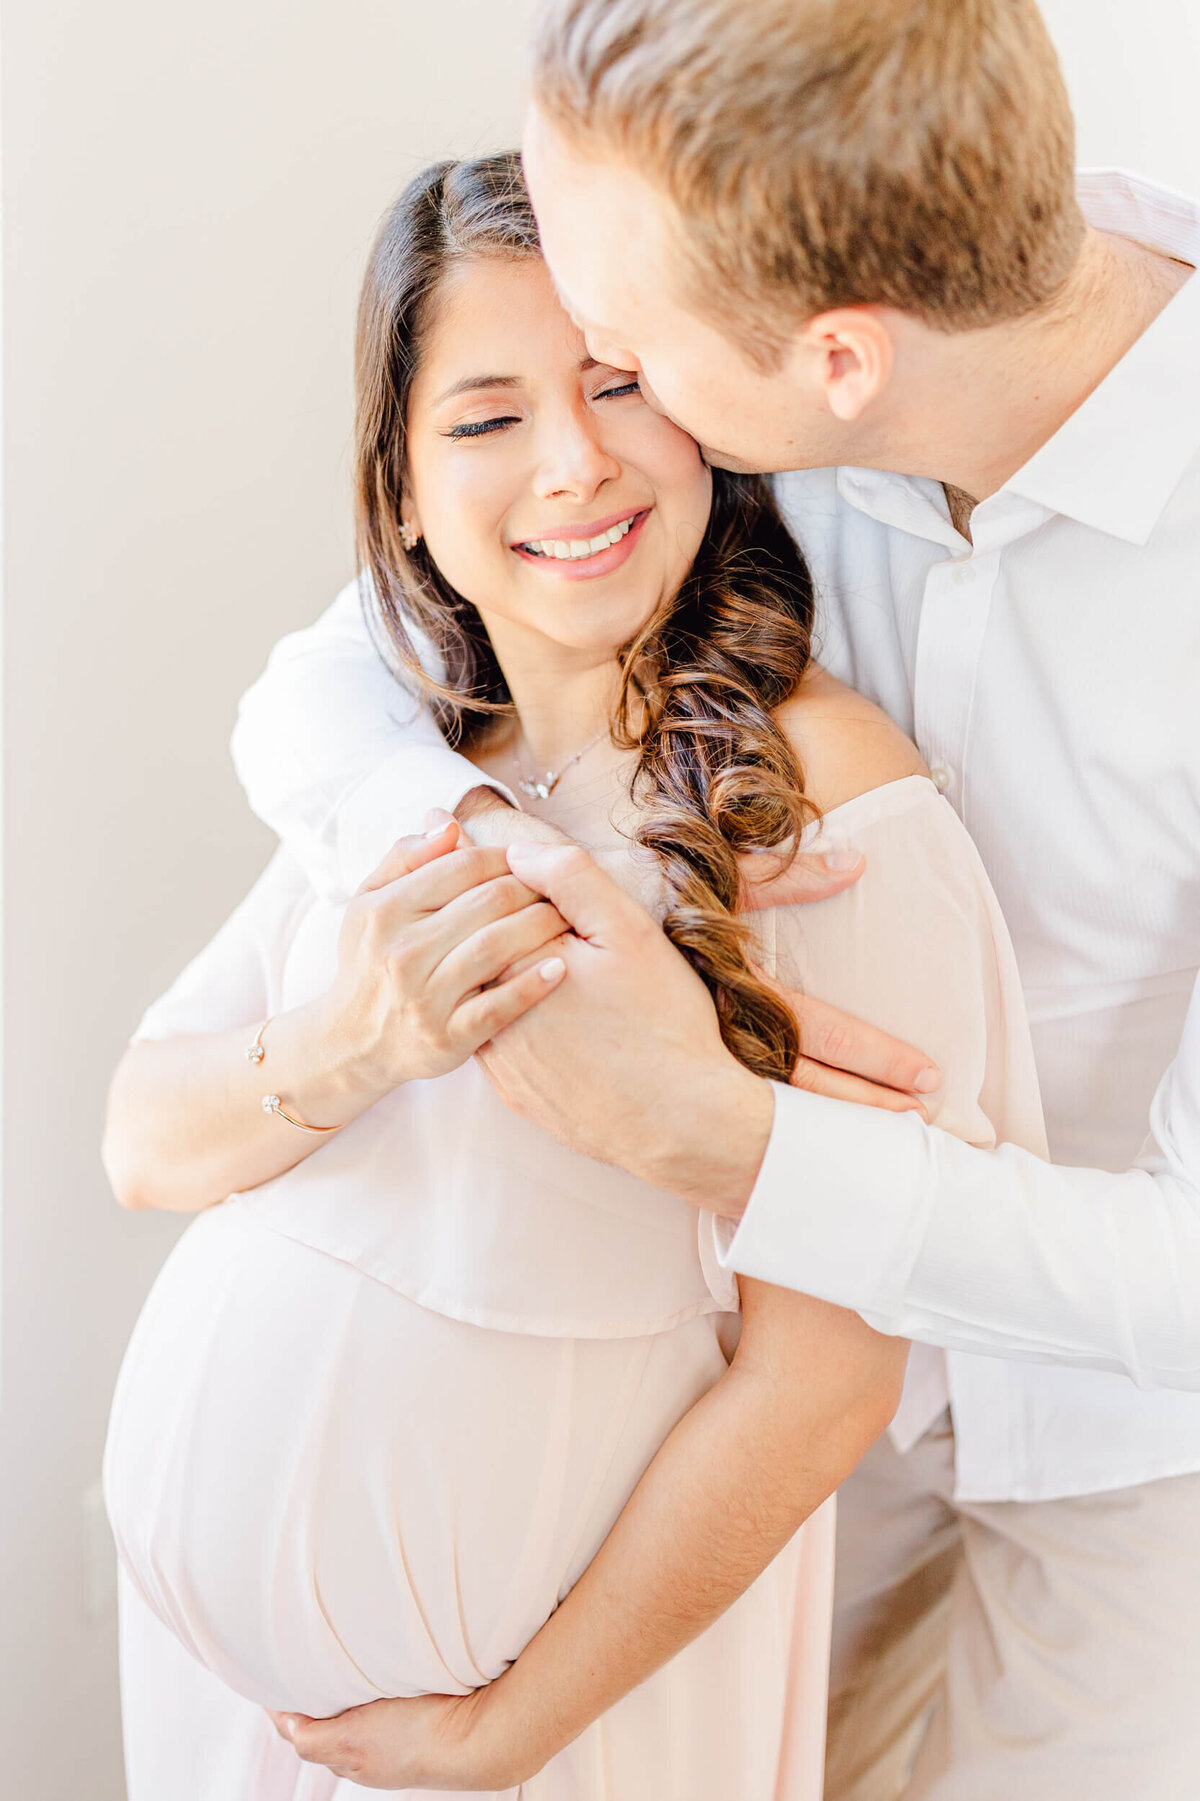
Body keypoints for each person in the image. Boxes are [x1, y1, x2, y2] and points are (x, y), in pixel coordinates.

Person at [234, 3, 1200, 1798]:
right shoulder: (797, 304)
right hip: (757, 1388)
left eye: (620, 343)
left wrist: (728, 1135)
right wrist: (541, 881)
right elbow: (324, 682)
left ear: (834, 368)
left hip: (1134, 1462)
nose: (592, 388)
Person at [103, 150, 1048, 1800]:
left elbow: (828, 1379)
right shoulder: (402, 760)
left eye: (619, 381)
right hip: (220, 1715)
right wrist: (348, 1042)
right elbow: (142, 1138)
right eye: (484, 419)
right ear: (398, 486)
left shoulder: (826, 819)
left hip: (561, 1731)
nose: (575, 461)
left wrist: (509, 1728)